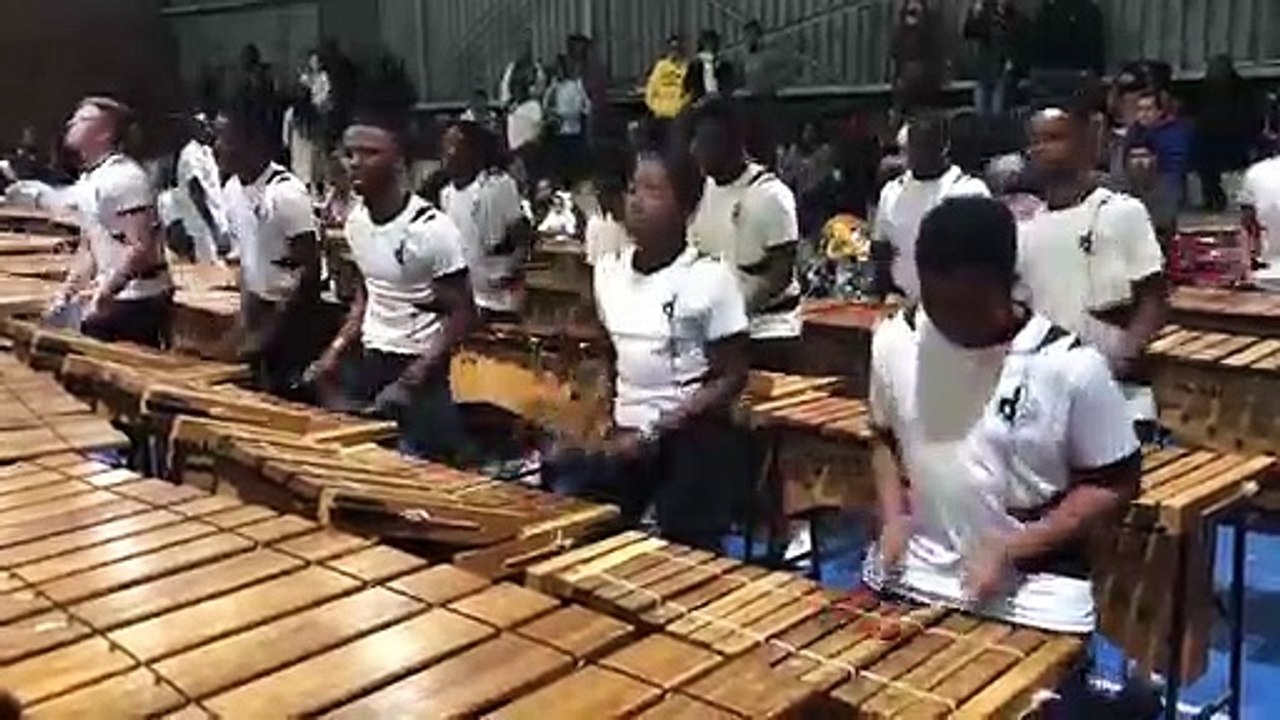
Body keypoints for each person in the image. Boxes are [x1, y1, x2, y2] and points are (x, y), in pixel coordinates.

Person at [864, 194, 1140, 645]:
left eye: (965, 306)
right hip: (912, 574)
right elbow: (881, 436)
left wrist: (1013, 547)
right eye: (936, 303)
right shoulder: (895, 339)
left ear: (1004, 284)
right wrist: (894, 516)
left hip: (1034, 596)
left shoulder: (1069, 366)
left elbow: (1115, 482)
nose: (949, 322)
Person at [549, 149, 751, 551]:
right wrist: (590, 417)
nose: (636, 200)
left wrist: (658, 429)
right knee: (587, 536)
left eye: (653, 190)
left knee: (688, 556)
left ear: (686, 208)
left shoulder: (710, 278)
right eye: (632, 188)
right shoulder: (608, 272)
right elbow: (608, 354)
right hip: (624, 434)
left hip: (689, 437)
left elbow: (732, 375)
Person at [306, 73, 477, 464]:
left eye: (369, 153)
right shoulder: (354, 221)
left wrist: (412, 378)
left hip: (421, 372)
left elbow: (464, 313)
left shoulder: (431, 230)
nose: (355, 163)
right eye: (350, 153)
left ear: (399, 158)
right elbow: (368, 292)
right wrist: (333, 353)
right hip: (373, 359)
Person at [1019, 106, 1169, 437]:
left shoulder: (1121, 212)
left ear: (1085, 144)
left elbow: (1154, 298)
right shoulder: (1026, 230)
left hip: (1120, 395)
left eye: (1055, 138)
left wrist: (1127, 352)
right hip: (1050, 398)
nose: (1043, 149)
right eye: (1036, 142)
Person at [216, 96, 323, 399]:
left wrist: (269, 332)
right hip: (262, 309)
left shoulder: (285, 194)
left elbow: (309, 270)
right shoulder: (232, 189)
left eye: (226, 138)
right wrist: (246, 323)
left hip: (294, 318)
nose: (217, 147)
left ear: (253, 142)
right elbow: (250, 261)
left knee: (290, 402)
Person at [45, 97, 172, 348]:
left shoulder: (124, 178)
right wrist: (68, 291)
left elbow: (140, 246)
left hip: (137, 299)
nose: (72, 123)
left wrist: (108, 291)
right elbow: (90, 244)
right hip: (112, 295)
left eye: (82, 119)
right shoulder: (91, 179)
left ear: (104, 132)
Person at [688, 98, 801, 369]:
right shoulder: (709, 189)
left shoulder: (770, 195)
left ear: (731, 143)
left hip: (768, 332)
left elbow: (780, 274)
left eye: (704, 143)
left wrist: (734, 310)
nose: (695, 151)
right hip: (720, 332)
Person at [872, 113, 991, 303]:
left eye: (924, 146)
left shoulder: (970, 191)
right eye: (912, 147)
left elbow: (986, 256)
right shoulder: (891, 192)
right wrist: (884, 293)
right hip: (904, 302)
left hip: (958, 304)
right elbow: (881, 250)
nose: (916, 154)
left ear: (944, 147)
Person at [440, 121, 532, 324]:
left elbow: (521, 235)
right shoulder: (446, 195)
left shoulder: (497, 186)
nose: (446, 152)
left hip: (500, 300)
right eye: (444, 144)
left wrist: (511, 267)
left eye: (453, 145)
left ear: (472, 152)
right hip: (466, 300)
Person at [1194, 55, 1262, 212]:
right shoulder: (1207, 89)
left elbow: (1251, 119)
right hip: (1211, 138)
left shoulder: (1242, 90)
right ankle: (1213, 200)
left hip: (1236, 138)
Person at [174, 113, 230, 263]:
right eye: (201, 125)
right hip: (202, 224)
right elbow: (196, 191)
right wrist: (211, 224)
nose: (206, 128)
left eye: (207, 124)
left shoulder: (206, 151)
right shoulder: (191, 154)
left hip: (215, 219)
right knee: (209, 269)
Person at [1108, 136, 1178, 252]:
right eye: (1134, 157)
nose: (1139, 162)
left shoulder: (1165, 189)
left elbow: (1165, 224)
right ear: (1125, 162)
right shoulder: (1114, 192)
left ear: (1154, 159)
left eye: (1144, 156)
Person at [963, 0, 1029, 118]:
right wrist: (974, 13)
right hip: (985, 72)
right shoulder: (987, 16)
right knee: (982, 114)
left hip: (1004, 74)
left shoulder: (1018, 19)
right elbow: (970, 32)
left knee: (997, 113)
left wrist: (1013, 62)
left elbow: (1021, 46)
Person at [1128, 90, 1192, 209]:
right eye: (1139, 109)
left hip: (1167, 196)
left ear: (1159, 112)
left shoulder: (1172, 135)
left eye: (1148, 109)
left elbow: (1174, 172)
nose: (1143, 114)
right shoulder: (1133, 133)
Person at [543, 54, 591, 189]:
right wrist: (551, 89)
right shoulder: (554, 87)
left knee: (574, 172)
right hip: (557, 134)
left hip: (572, 134)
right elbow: (545, 105)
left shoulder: (574, 87)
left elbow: (578, 109)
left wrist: (559, 114)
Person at [891, 0, 944, 115]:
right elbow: (896, 53)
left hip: (924, 80)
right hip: (907, 80)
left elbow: (934, 50)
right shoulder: (901, 31)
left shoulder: (930, 26)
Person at [1240, 149, 1280, 291]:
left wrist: (1246, 269)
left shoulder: (1256, 173)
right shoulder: (1257, 173)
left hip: (1268, 278)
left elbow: (1247, 227)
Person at [644, 34, 690, 124]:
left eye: (677, 49)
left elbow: (689, 93)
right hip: (658, 114)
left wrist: (678, 107)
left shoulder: (686, 67)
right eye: (672, 49)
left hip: (678, 115)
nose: (674, 52)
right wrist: (656, 107)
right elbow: (650, 90)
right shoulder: (660, 66)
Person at [685, 30, 735, 102]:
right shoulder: (694, 67)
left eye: (713, 43)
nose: (711, 46)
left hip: (721, 105)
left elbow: (729, 87)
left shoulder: (725, 66)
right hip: (701, 106)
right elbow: (688, 87)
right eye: (707, 43)